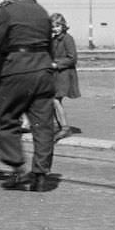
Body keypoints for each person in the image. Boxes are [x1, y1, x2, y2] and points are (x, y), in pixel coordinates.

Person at [0, 0, 57, 192]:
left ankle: (17, 167)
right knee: (43, 126)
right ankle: (41, 175)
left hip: (17, 70)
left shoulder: (8, 11)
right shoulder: (42, 12)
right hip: (43, 71)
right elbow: (50, 45)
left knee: (6, 119)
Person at [49, 12, 80, 142]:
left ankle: (64, 128)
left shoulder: (68, 39)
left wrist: (57, 64)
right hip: (55, 74)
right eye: (53, 26)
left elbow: (73, 58)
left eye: (57, 26)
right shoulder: (53, 39)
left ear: (63, 26)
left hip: (64, 74)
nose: (55, 28)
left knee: (56, 99)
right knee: (53, 100)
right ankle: (59, 125)